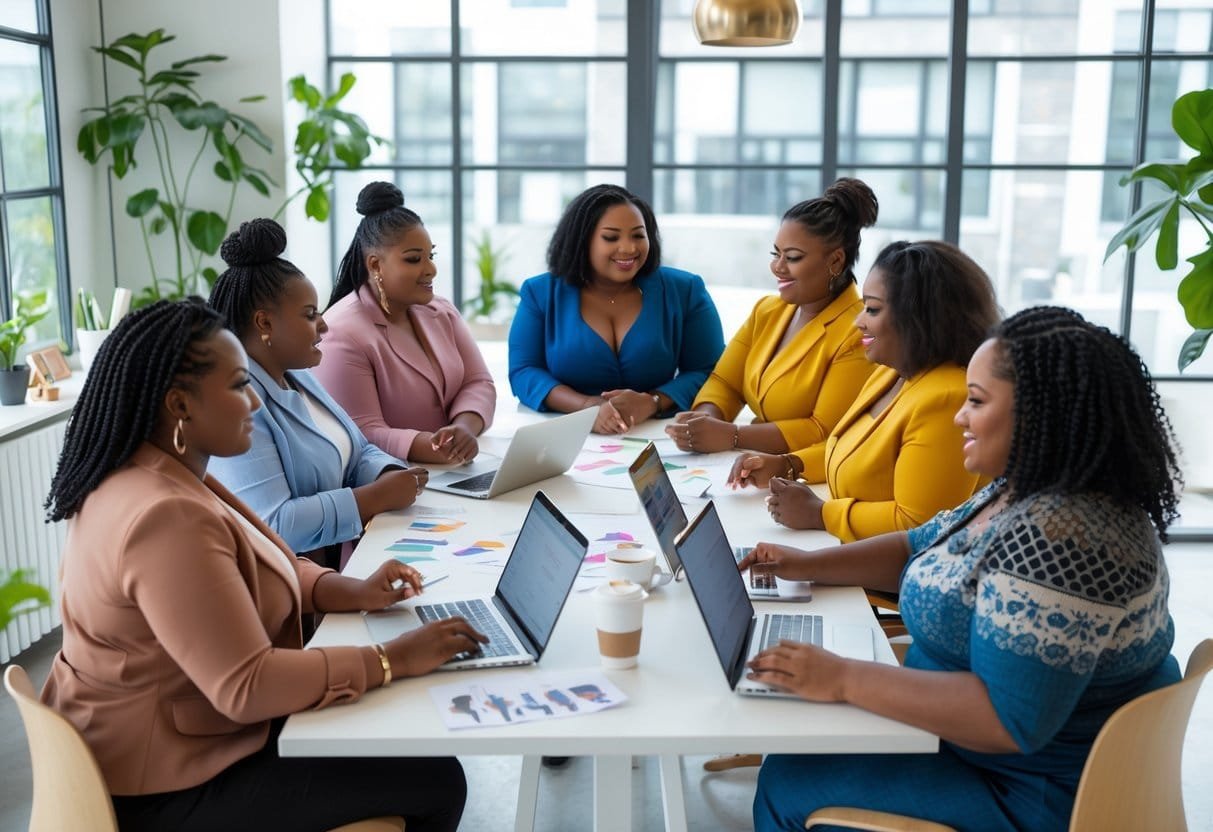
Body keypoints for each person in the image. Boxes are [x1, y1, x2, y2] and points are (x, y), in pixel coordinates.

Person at [41, 298, 486, 832]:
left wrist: (344, 589)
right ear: (180, 404)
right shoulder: (163, 517)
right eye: (236, 386)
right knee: (438, 782)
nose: (254, 400)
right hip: (170, 784)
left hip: (168, 744)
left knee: (409, 754)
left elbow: (254, 559)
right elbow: (245, 685)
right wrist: (389, 660)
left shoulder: (158, 470)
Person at [742, 306, 1183, 831]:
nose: (959, 416)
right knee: (799, 755)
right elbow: (914, 546)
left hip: (1025, 793)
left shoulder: (1064, 538)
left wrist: (842, 678)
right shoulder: (1021, 489)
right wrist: (808, 564)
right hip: (975, 755)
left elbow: (1007, 718)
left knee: (789, 783)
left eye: (976, 401)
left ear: (1039, 414)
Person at [729, 240, 999, 543]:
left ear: (918, 318)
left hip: (884, 586)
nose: (859, 321)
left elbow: (918, 524)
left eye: (872, 309)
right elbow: (850, 448)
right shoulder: (891, 372)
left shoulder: (948, 399)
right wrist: (789, 464)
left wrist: (820, 514)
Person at [206, 218, 427, 566]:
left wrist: (387, 474)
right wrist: (371, 499)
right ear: (265, 324)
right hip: (293, 591)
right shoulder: (238, 405)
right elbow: (272, 522)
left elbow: (357, 449)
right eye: (310, 315)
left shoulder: (297, 374)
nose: (324, 323)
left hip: (338, 564)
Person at [666, 178, 879, 455]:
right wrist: (706, 420)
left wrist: (733, 435)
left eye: (792, 258)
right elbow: (725, 383)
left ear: (836, 261)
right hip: (752, 465)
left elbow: (823, 430)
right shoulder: (767, 311)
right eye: (775, 254)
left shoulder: (858, 331)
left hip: (806, 477)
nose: (777, 267)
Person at [508, 183, 725, 435]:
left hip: (659, 435)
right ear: (582, 241)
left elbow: (711, 370)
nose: (629, 248)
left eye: (638, 235)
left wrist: (653, 401)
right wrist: (587, 407)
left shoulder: (685, 289)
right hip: (567, 437)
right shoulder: (540, 292)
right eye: (611, 237)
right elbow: (524, 371)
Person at [314, 181, 496, 464]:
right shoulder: (340, 333)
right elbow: (361, 431)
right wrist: (437, 447)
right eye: (414, 259)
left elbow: (478, 382)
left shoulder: (441, 311)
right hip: (393, 477)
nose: (431, 269)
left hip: (450, 471)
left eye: (430, 256)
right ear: (375, 265)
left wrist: (463, 429)